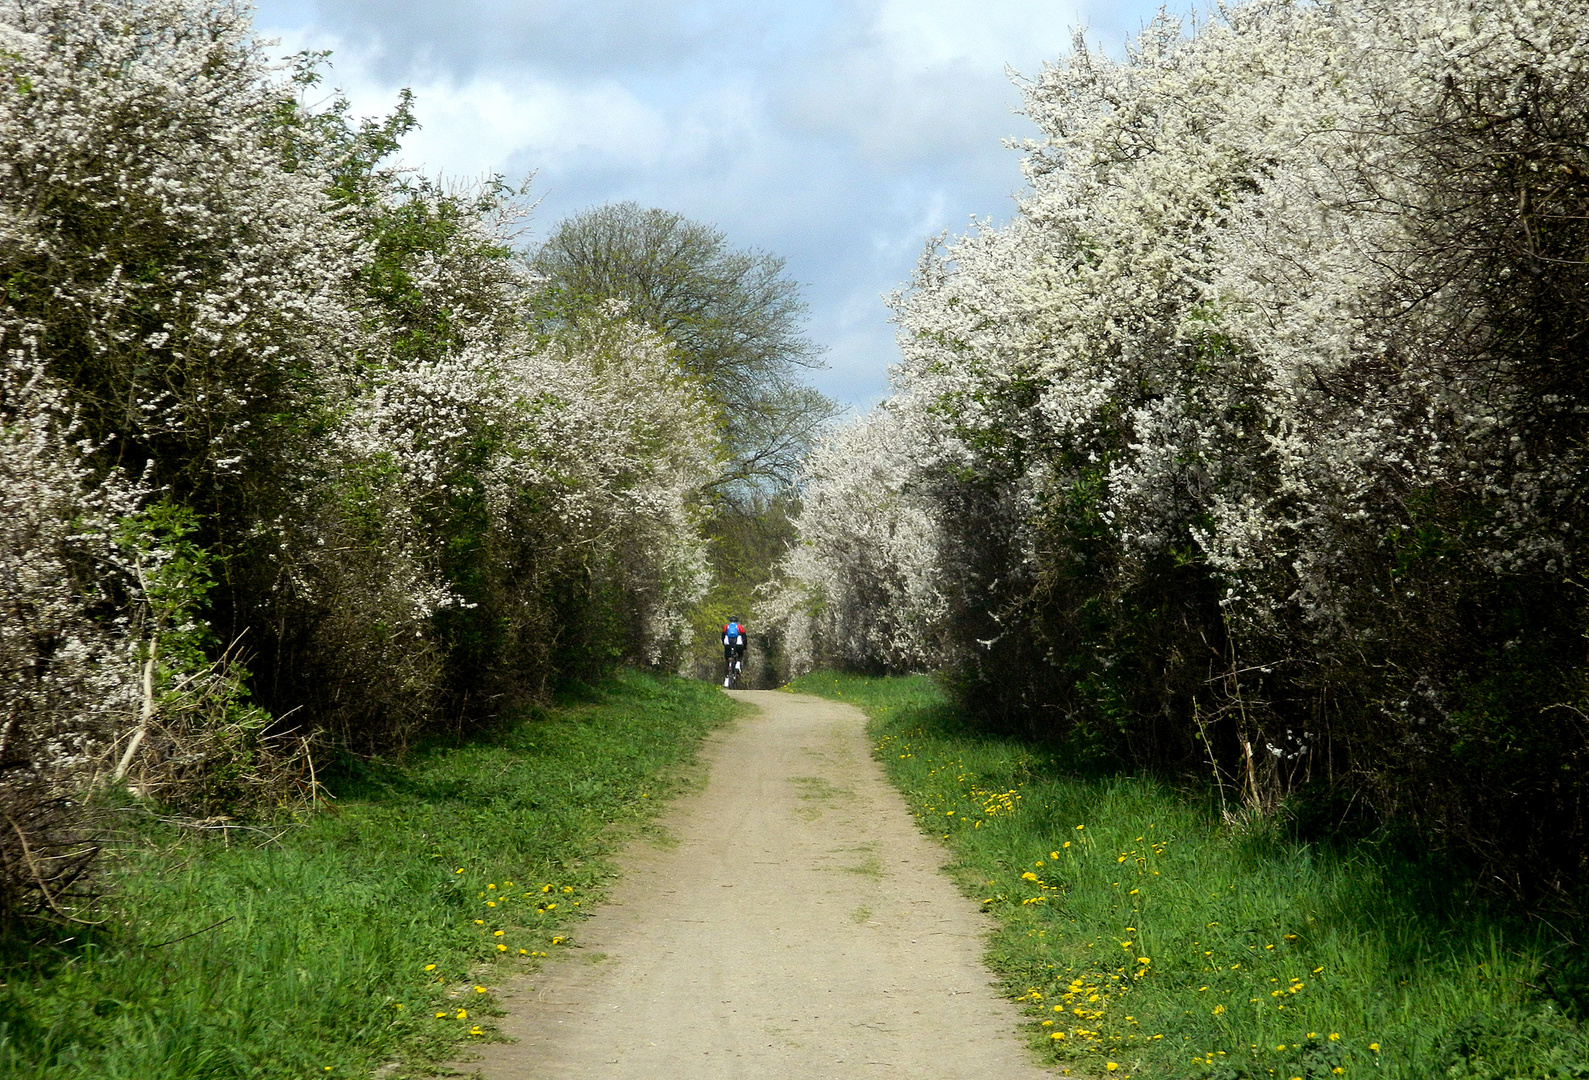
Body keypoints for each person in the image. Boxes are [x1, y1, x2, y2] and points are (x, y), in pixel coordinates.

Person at [721, 617, 747, 687]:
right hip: (738, 644)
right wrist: (744, 646)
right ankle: (738, 664)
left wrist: (724, 644)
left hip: (728, 644)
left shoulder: (726, 627)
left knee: (727, 659)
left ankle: (726, 679)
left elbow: (722, 636)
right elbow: (744, 637)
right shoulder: (739, 627)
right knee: (740, 654)